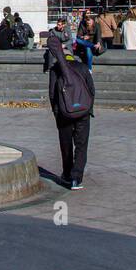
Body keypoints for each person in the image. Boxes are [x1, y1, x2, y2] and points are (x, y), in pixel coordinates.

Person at [43, 30, 94, 190]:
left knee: (66, 144)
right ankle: (76, 178)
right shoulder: (82, 67)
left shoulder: (55, 70)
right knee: (81, 144)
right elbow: (91, 90)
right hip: (83, 112)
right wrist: (89, 109)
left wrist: (56, 112)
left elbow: (52, 94)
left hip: (64, 112)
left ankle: (66, 173)